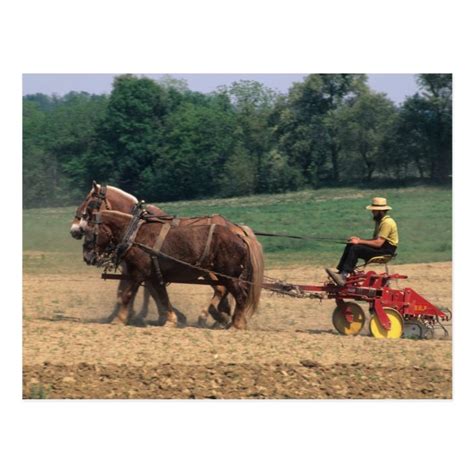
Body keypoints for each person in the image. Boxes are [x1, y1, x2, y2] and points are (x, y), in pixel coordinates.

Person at [326, 197, 398, 286]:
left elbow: (378, 243)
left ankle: (343, 275)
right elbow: (375, 240)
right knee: (351, 245)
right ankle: (341, 273)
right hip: (381, 248)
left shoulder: (387, 223)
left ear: (381, 211)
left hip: (385, 251)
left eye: (374, 211)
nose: (372, 212)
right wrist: (357, 240)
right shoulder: (380, 222)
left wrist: (359, 241)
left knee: (356, 248)